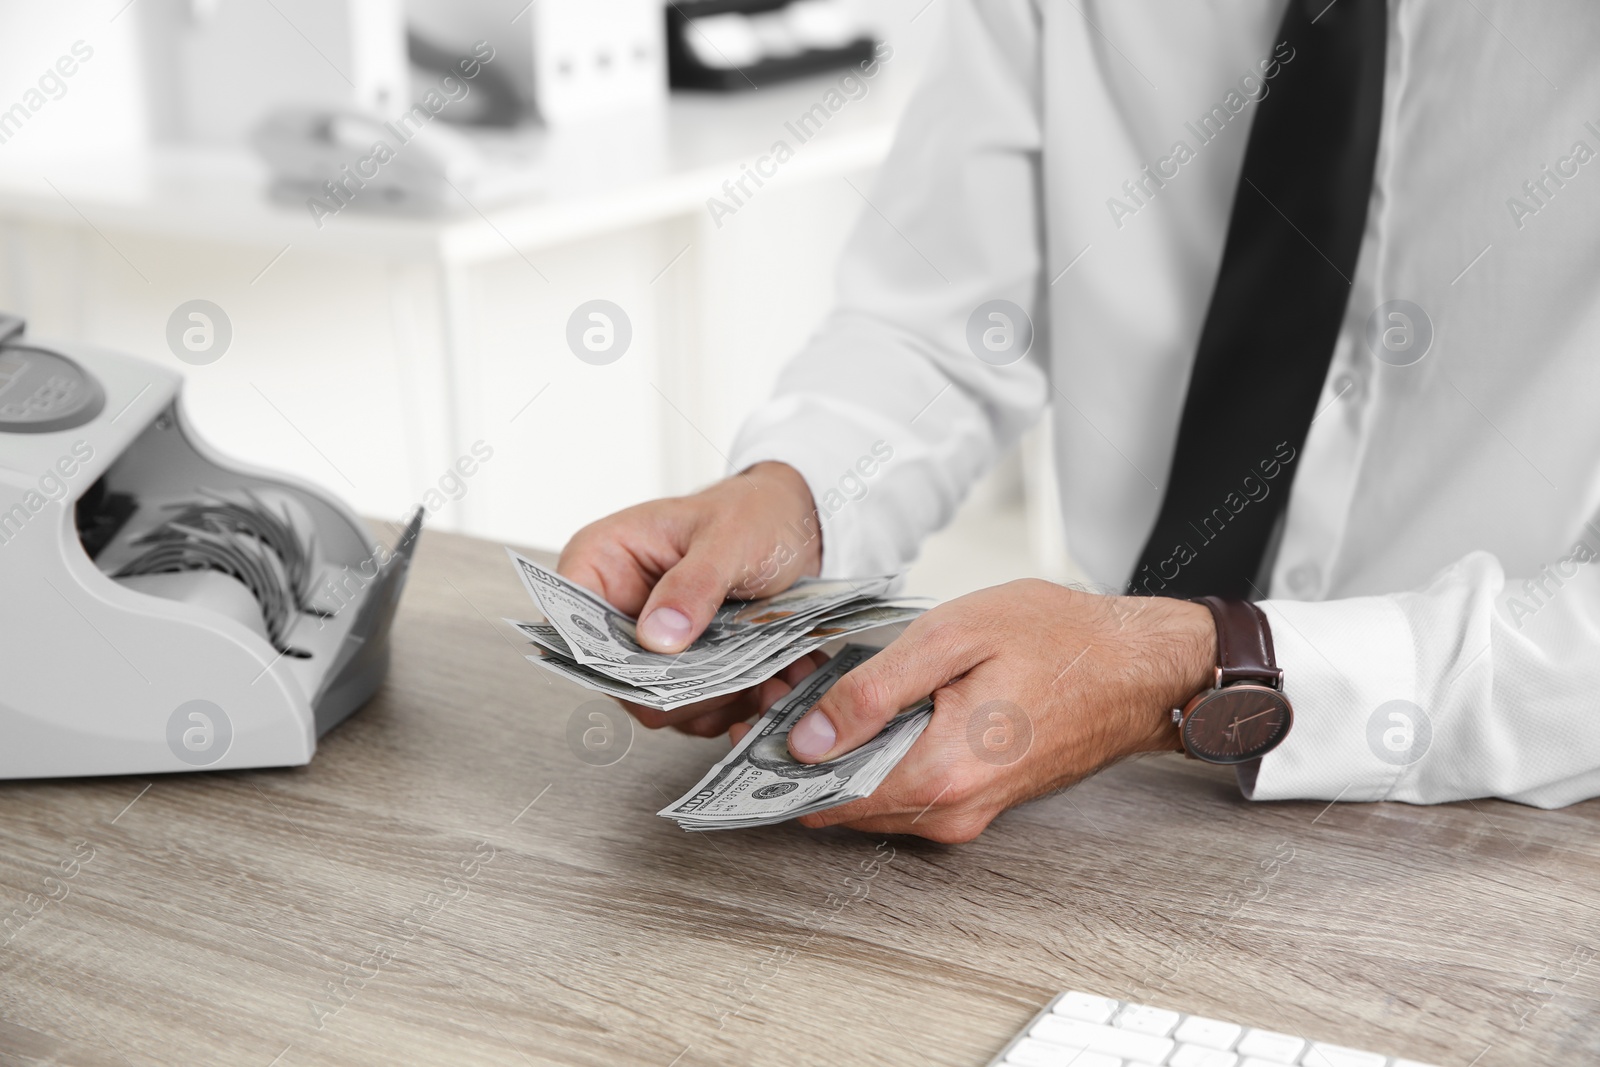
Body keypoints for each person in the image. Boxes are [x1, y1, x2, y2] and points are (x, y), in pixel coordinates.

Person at [557, 0, 1600, 842]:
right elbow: (944, 319)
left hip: (1515, 822)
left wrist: (1187, 668)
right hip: (1117, 809)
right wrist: (794, 495)